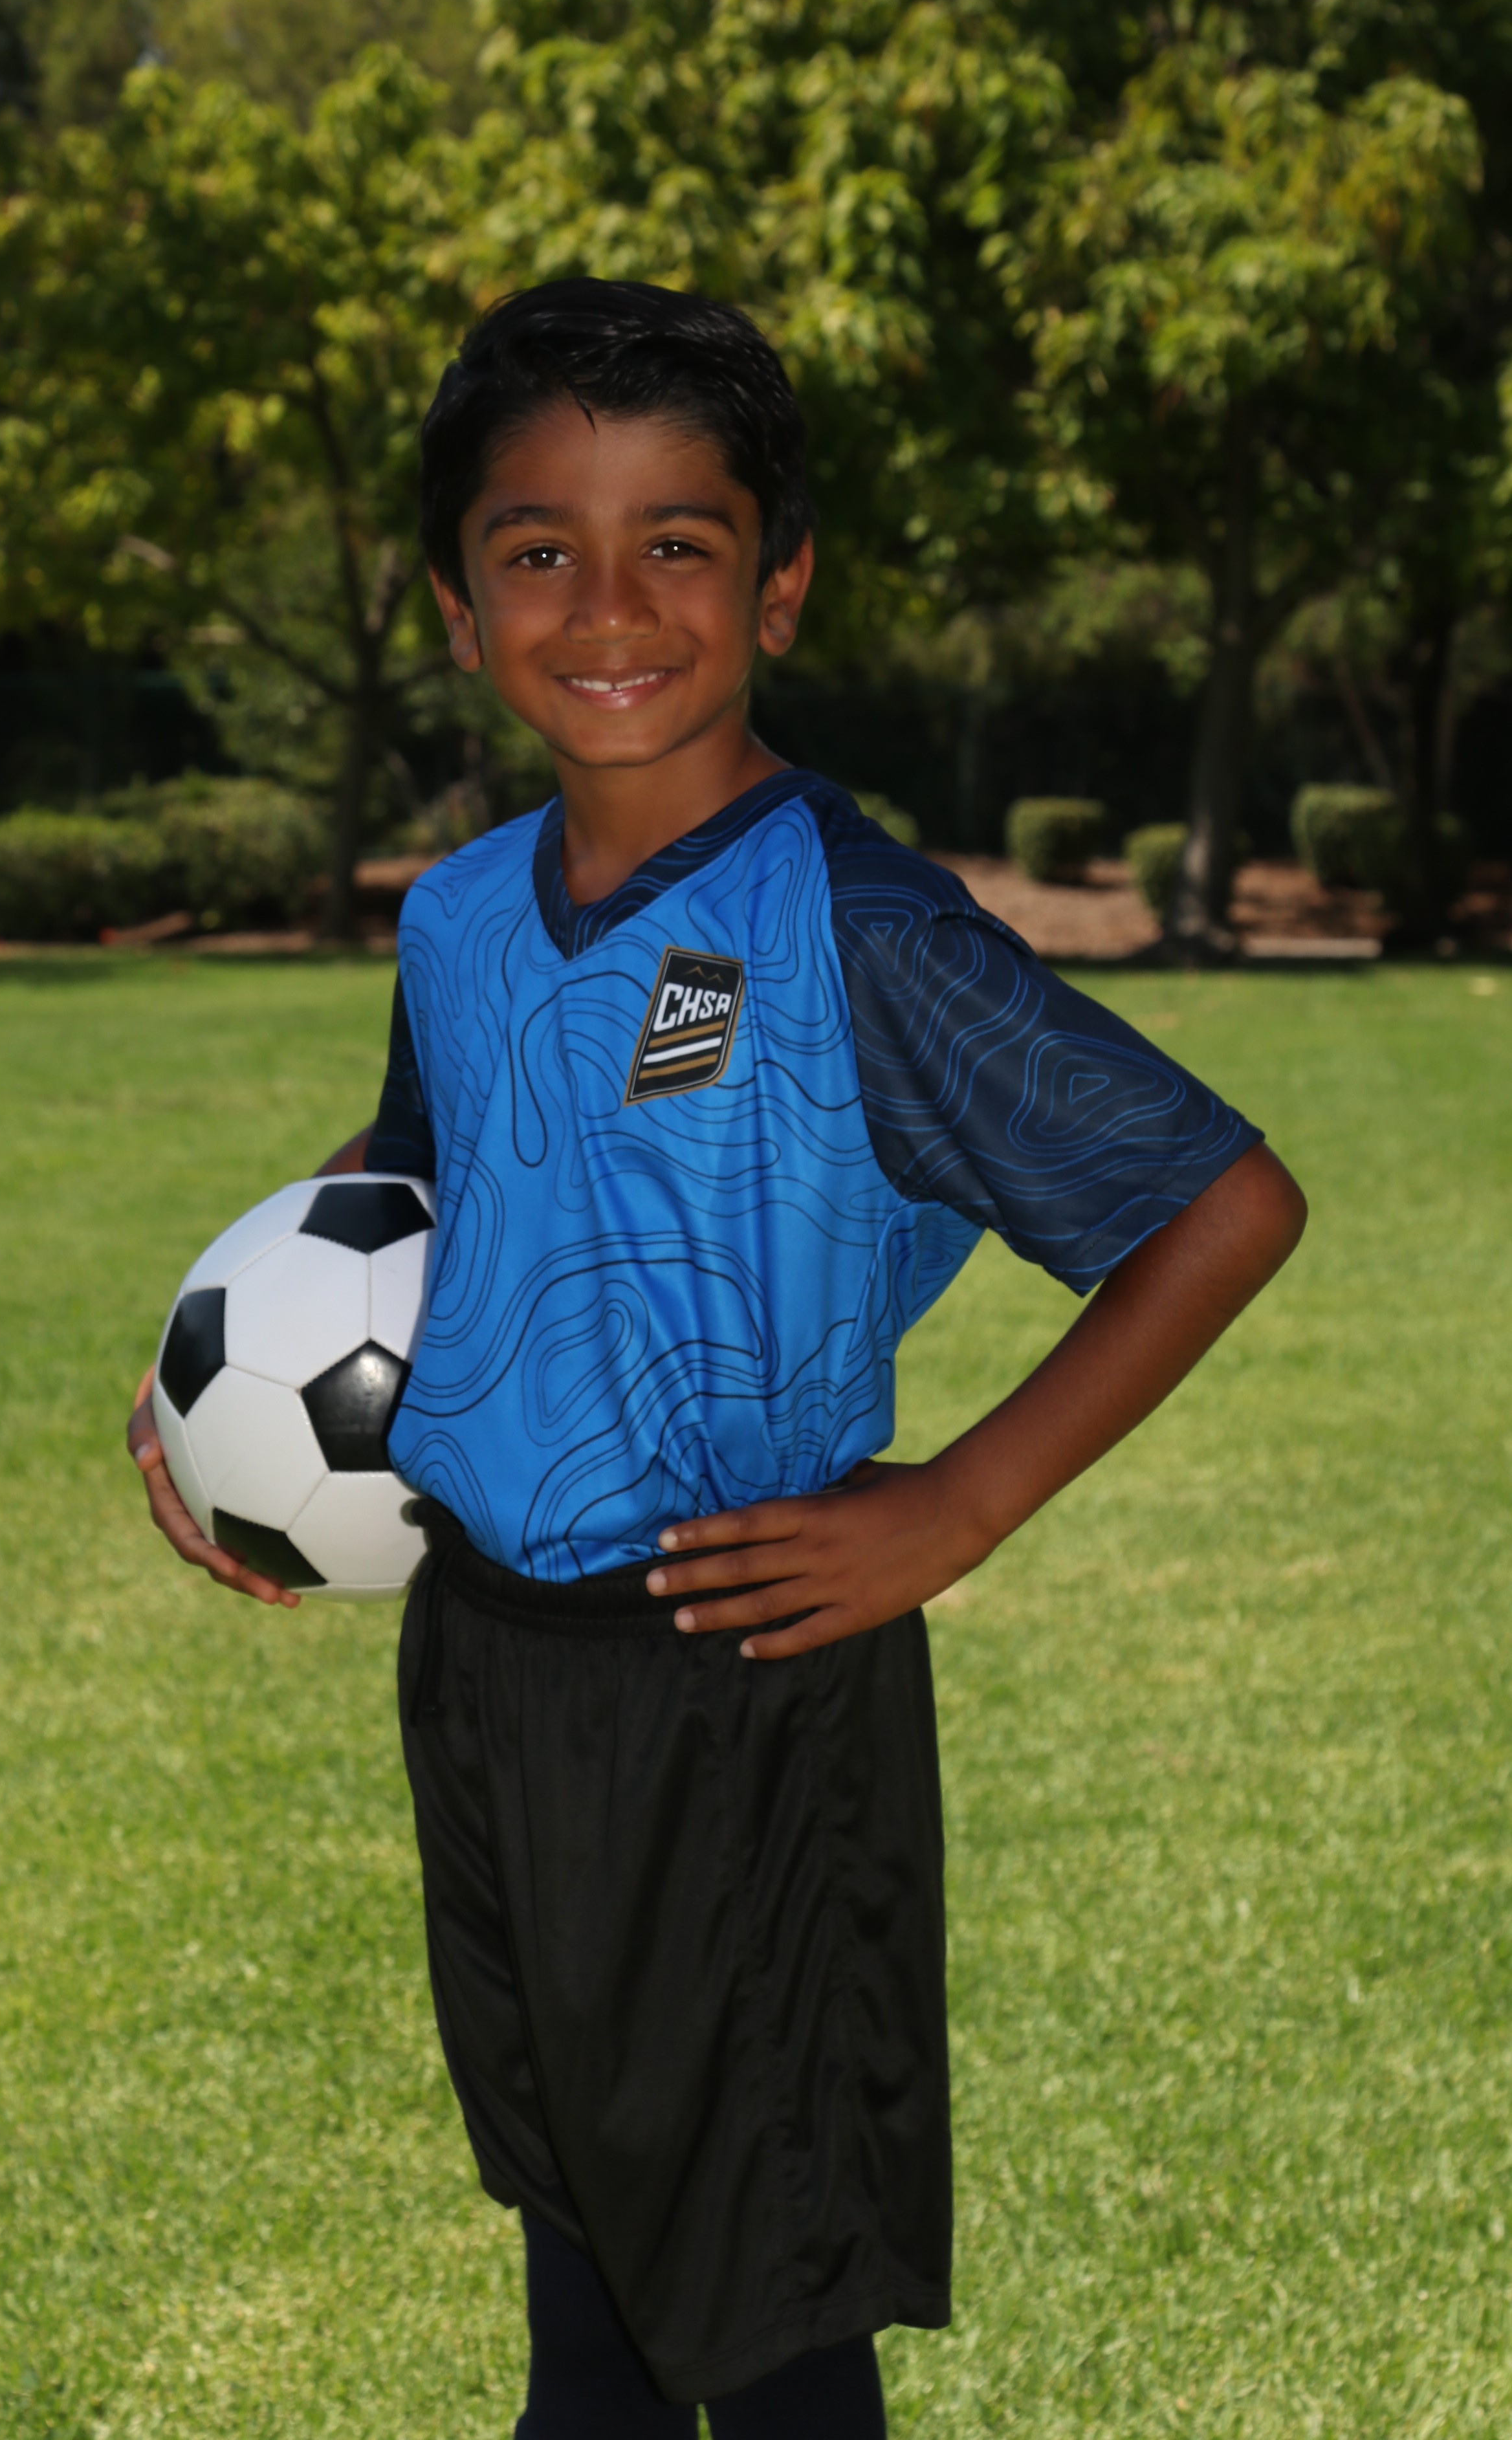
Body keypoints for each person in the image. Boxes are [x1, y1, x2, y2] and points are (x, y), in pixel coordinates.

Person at [128, 278, 1308, 2437]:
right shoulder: (459, 914)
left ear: (779, 586)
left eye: (675, 540)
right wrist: (208, 1373)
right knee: (584, 2293)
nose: (608, 604)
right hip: (490, 1675)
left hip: (742, 1679)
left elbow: (1222, 1208)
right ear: (457, 606)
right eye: (538, 548)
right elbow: (419, 1180)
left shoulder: (851, 927)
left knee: (767, 2335)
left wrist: (959, 1503)